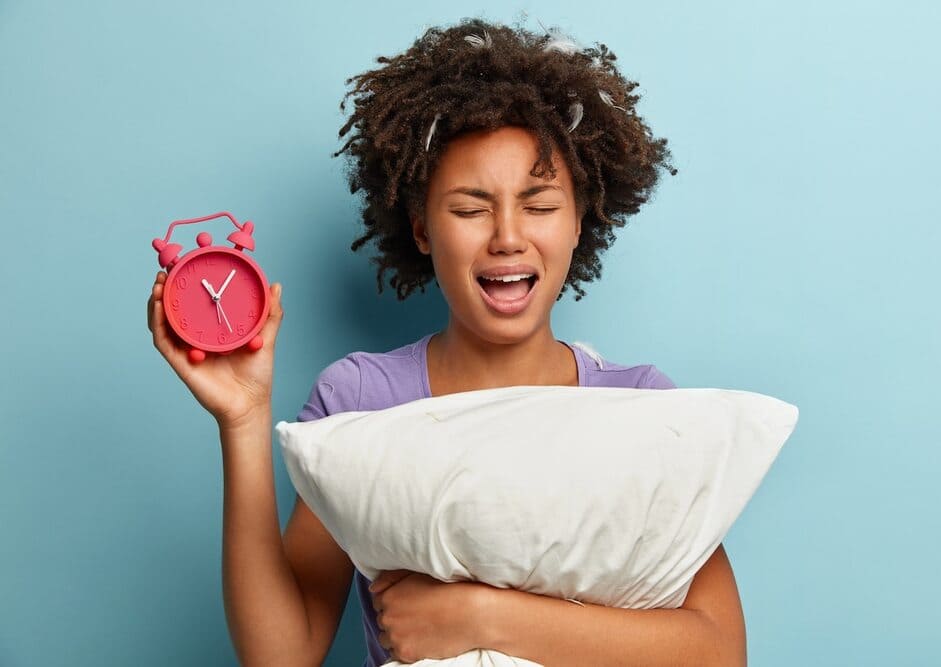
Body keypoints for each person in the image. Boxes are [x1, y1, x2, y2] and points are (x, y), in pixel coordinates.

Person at [148, 17, 747, 667]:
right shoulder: (361, 398)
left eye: (540, 205)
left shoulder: (642, 406)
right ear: (423, 229)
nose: (508, 236)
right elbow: (282, 655)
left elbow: (718, 651)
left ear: (580, 221)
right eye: (469, 208)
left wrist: (478, 614)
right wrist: (242, 420)